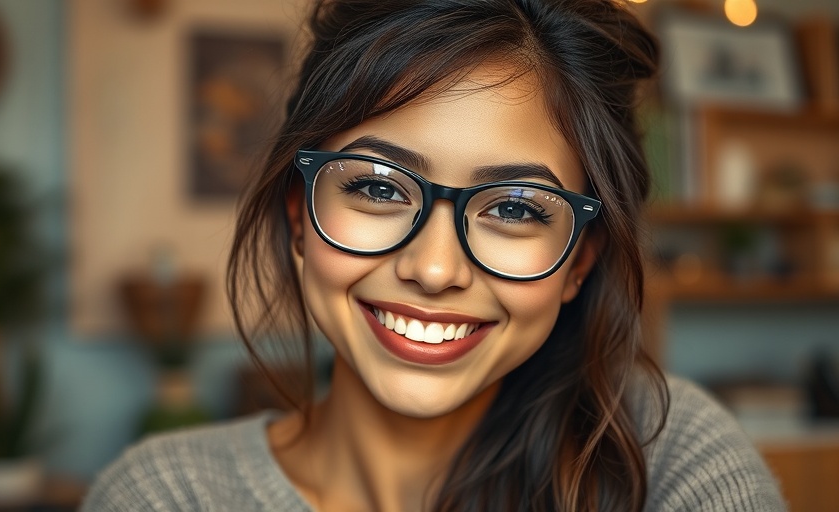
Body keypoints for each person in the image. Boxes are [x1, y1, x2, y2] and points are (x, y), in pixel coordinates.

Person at [82, 0, 786, 510]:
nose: (436, 269)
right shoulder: (166, 496)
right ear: (300, 216)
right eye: (377, 188)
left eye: (514, 208)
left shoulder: (664, 455)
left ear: (578, 260)